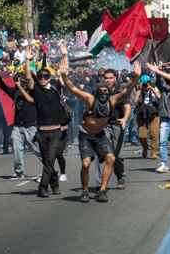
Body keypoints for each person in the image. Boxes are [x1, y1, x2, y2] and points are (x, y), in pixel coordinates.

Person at [58, 51, 140, 203]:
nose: (103, 93)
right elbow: (73, 89)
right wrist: (64, 75)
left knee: (111, 158)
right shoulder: (90, 99)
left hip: (101, 135)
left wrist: (136, 77)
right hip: (86, 136)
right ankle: (84, 190)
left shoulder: (112, 100)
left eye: (105, 91)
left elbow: (127, 91)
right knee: (86, 163)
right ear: (97, 91)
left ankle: (102, 190)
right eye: (101, 91)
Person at [24, 47, 67, 198]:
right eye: (40, 76)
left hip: (56, 132)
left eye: (45, 76)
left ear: (49, 77)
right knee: (47, 162)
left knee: (49, 160)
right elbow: (29, 79)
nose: (42, 78)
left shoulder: (56, 89)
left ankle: (42, 188)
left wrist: (65, 54)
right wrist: (28, 60)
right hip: (41, 133)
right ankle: (54, 184)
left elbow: (64, 73)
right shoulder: (35, 89)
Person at [0, 71, 42, 179]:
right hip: (17, 125)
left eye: (18, 79)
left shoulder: (33, 91)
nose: (16, 81)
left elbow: (36, 83)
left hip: (30, 125)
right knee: (17, 148)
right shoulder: (15, 92)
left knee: (35, 148)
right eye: (15, 80)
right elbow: (3, 87)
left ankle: (49, 168)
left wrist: (30, 75)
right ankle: (19, 171)